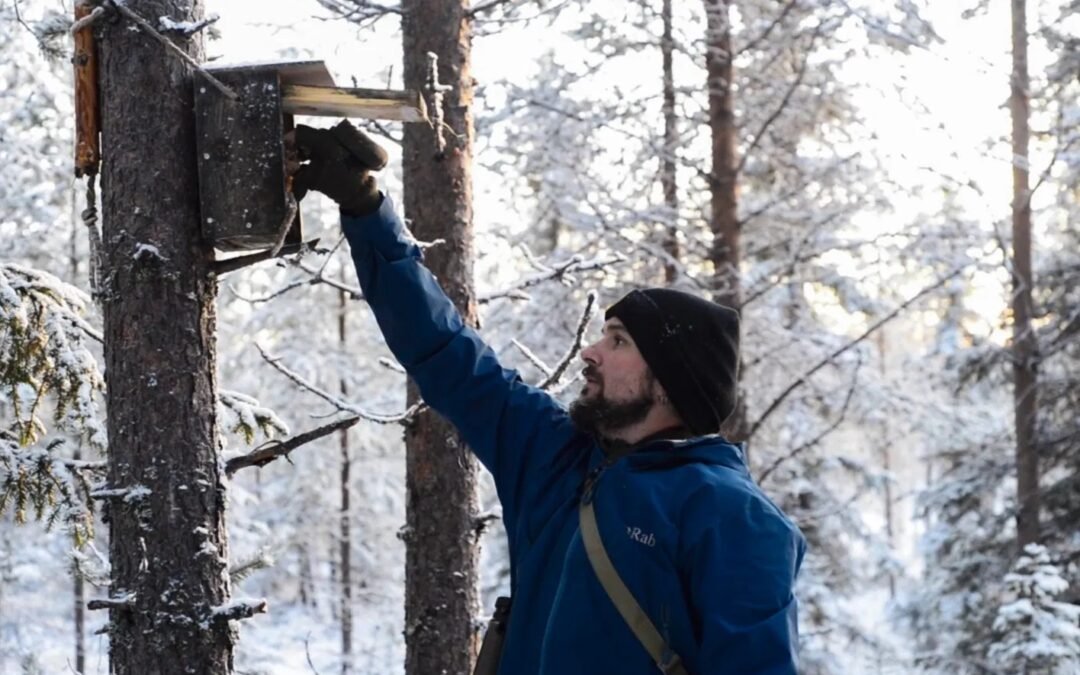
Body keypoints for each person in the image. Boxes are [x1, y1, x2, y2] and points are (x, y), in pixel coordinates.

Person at [290, 122, 807, 675]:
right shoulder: (553, 457)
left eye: (619, 342)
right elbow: (444, 349)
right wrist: (367, 210)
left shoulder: (732, 516)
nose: (590, 352)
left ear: (668, 381)